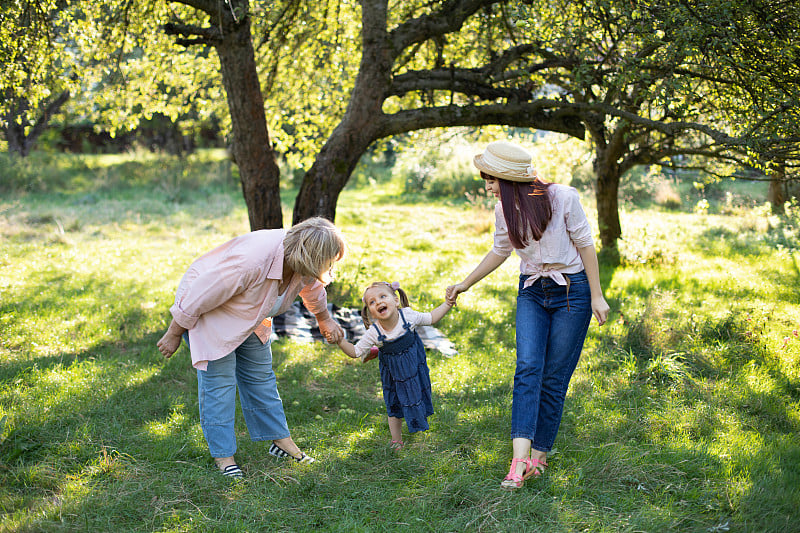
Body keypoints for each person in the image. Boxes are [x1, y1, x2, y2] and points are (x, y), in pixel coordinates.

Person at [446, 140, 610, 489]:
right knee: (528, 368)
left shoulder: (564, 197)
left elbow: (585, 245)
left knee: (553, 377)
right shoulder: (503, 210)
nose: (486, 186)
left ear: (506, 179)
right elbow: (500, 251)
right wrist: (465, 284)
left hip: (572, 292)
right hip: (532, 289)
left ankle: (539, 458)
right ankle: (517, 462)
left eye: (489, 179)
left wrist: (597, 295)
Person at [156, 217, 346, 479]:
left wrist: (324, 318)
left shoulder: (302, 263)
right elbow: (200, 295)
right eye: (327, 261)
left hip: (250, 315)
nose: (329, 266)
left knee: (261, 378)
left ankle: (281, 443)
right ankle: (224, 457)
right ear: (310, 257)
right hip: (210, 313)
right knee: (219, 385)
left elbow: (312, 288)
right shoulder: (251, 263)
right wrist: (173, 333)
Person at [331, 281, 452, 450]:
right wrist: (340, 341)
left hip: (412, 363)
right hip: (393, 371)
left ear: (395, 301)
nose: (378, 302)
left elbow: (431, 318)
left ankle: (418, 417)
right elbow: (355, 351)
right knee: (394, 401)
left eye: (382, 296)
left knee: (416, 391)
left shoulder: (408, 316)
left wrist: (448, 303)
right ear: (370, 312)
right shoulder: (374, 331)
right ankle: (397, 440)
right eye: (372, 302)